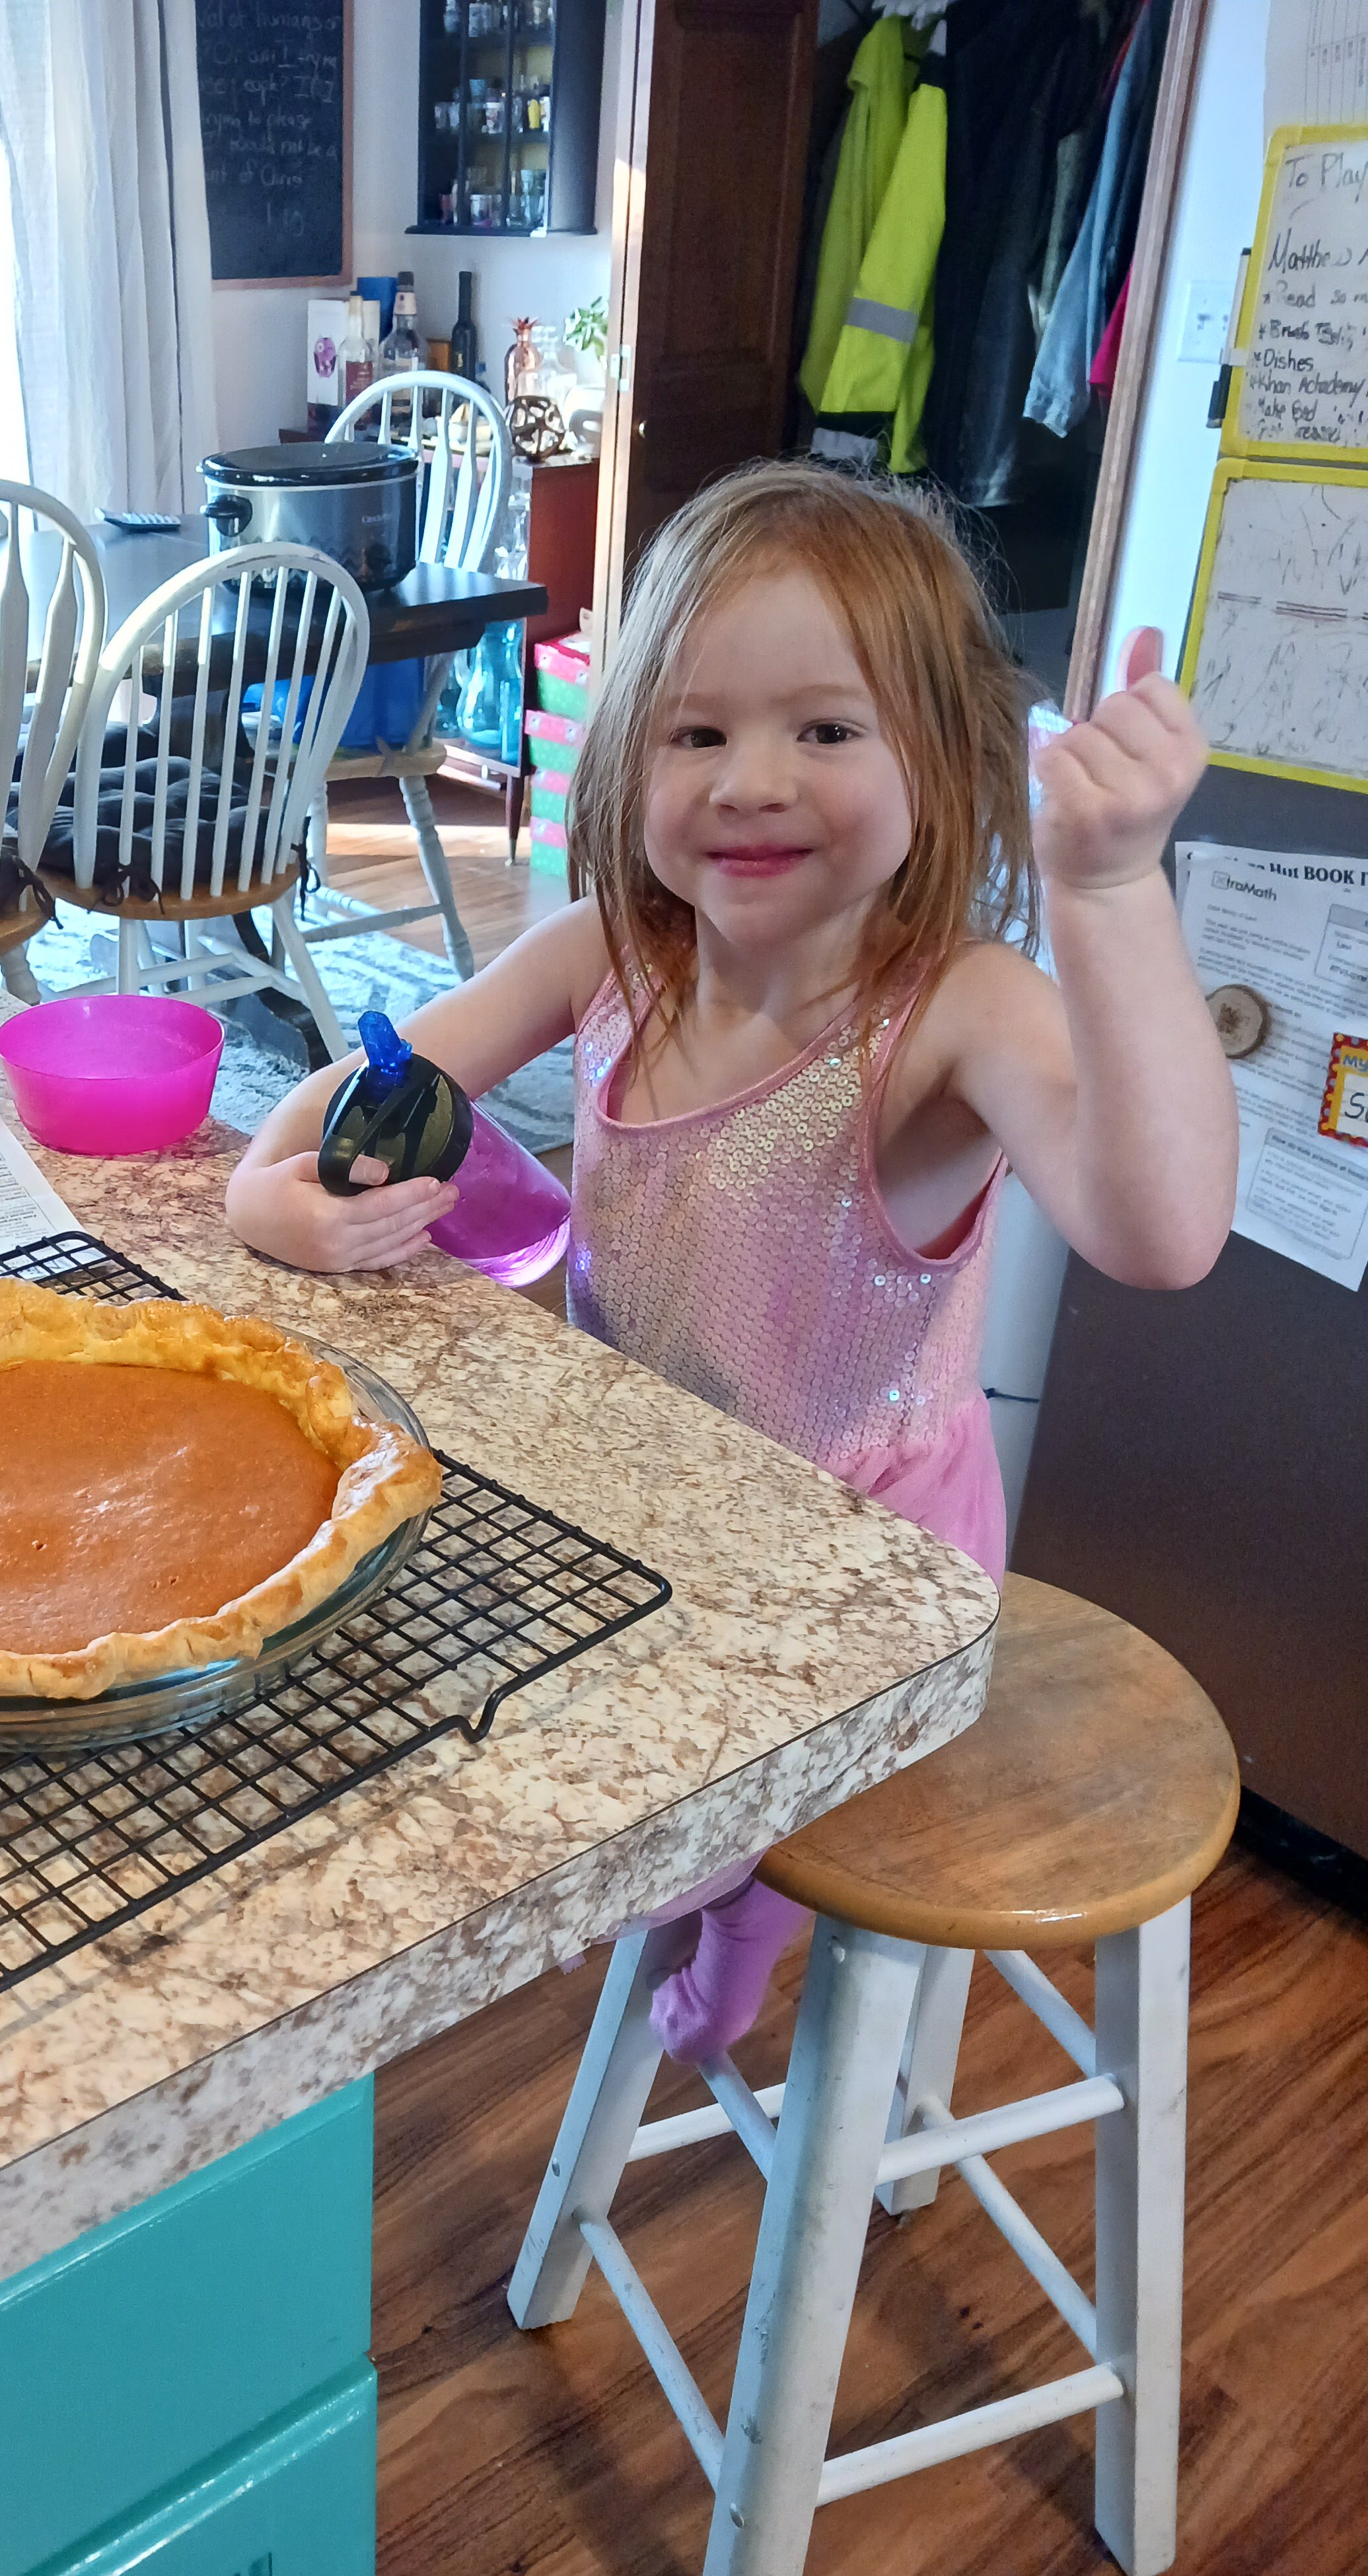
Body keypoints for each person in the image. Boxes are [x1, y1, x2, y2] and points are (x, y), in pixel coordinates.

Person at [225, 462, 1237, 2065]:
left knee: (671, 1831)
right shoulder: (612, 956)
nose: (750, 780)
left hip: (860, 1578)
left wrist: (1107, 895)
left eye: (825, 731)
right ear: (630, 761)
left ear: (944, 758)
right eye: (697, 733)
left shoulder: (955, 1014)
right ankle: (719, 1897)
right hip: (643, 1511)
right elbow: (338, 1104)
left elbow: (1162, 1229)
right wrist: (266, 1199)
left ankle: (748, 1925)